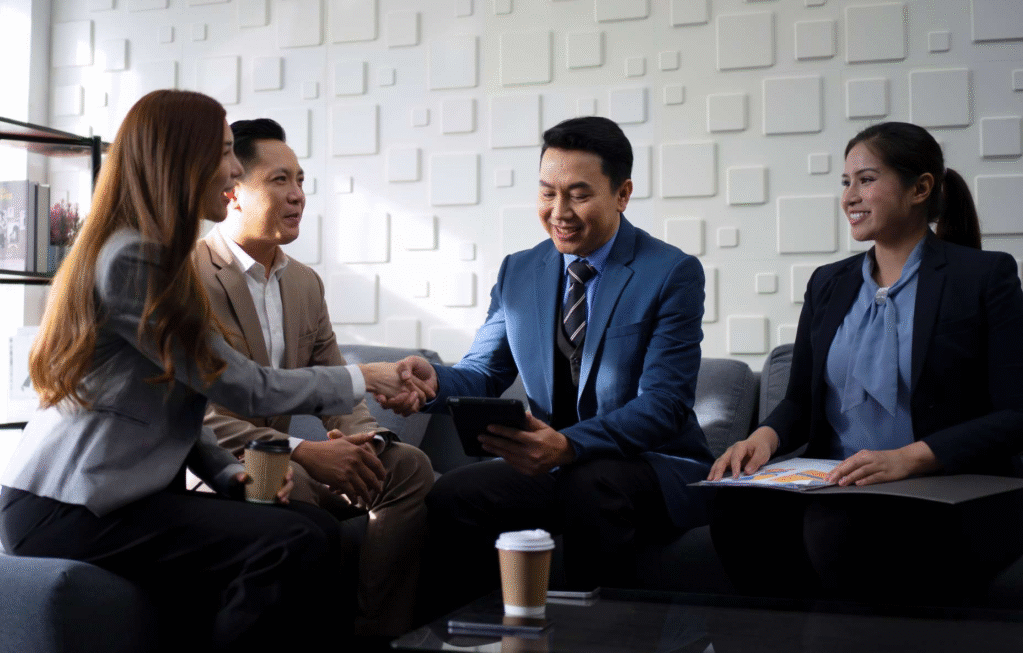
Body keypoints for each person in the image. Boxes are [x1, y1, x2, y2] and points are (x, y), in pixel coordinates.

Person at [0, 90, 429, 651]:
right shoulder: (134, 260)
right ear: (182, 160)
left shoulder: (158, 258)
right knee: (292, 541)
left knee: (315, 530)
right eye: (225, 153)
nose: (232, 171)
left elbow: (180, 405)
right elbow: (242, 387)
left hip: (116, 500)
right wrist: (365, 375)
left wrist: (229, 476)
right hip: (66, 507)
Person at [383, 116, 713, 613]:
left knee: (591, 484)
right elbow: (482, 373)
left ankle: (597, 641)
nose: (559, 212)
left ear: (622, 194)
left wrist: (569, 445)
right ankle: (475, 637)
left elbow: (664, 405)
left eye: (579, 195)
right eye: (547, 193)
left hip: (650, 466)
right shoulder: (519, 270)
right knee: (454, 494)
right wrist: (433, 384)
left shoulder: (670, 273)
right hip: (557, 463)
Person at [708, 121, 1023, 605]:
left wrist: (907, 459)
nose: (850, 197)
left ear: (920, 188)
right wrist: (760, 439)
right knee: (736, 511)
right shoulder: (827, 283)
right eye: (845, 182)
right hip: (839, 481)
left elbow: (1015, 415)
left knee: (837, 526)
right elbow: (799, 401)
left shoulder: (984, 276)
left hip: (949, 484)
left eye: (867, 180)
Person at [196, 117, 433, 637]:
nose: (297, 195)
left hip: (290, 458)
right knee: (292, 482)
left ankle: (378, 635)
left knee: (407, 467)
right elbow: (199, 416)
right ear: (233, 190)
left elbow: (333, 383)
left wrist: (364, 440)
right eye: (279, 180)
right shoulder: (189, 274)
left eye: (300, 181)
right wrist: (301, 451)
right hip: (224, 463)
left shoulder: (304, 283)